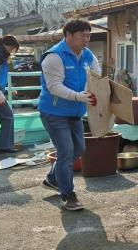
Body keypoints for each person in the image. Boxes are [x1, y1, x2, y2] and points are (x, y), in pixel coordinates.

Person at [39, 19, 100, 211]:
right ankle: (67, 194)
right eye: (82, 35)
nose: (86, 39)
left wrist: (96, 91)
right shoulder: (54, 57)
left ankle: (52, 178)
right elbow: (54, 87)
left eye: (88, 35)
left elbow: (96, 76)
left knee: (78, 149)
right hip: (54, 112)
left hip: (76, 112)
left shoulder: (88, 55)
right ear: (68, 35)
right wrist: (77, 96)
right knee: (65, 151)